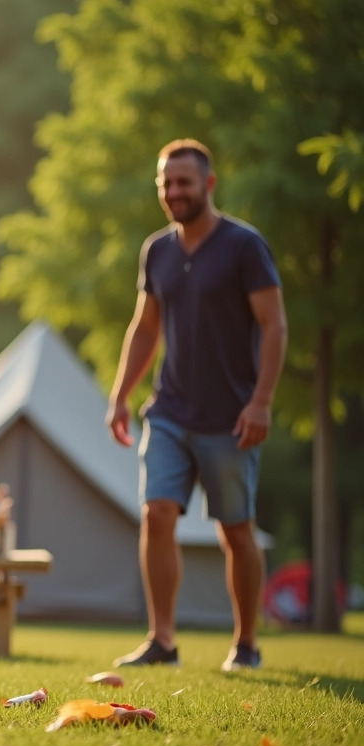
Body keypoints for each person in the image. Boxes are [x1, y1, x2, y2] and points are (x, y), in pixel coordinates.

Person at [106, 139, 287, 672]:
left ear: (208, 184)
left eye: (184, 182)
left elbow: (274, 324)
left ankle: (247, 643)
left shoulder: (243, 247)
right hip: (170, 411)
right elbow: (145, 328)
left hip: (231, 416)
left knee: (235, 529)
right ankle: (162, 640)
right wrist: (120, 395)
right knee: (157, 513)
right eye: (166, 182)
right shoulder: (156, 251)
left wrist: (262, 402)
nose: (174, 192)